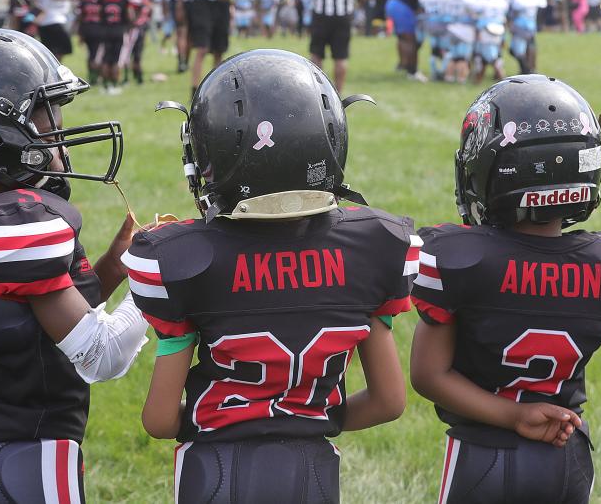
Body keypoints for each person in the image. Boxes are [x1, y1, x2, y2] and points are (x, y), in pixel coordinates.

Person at [127, 49, 410, 503]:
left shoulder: (185, 259)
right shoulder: (374, 247)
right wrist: (306, 418)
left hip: (213, 473)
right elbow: (388, 402)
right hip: (312, 474)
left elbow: (159, 421)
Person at [0, 29, 147, 503]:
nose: (57, 128)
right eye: (44, 113)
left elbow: (37, 315)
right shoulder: (18, 221)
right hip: (26, 449)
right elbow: (102, 355)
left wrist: (117, 265)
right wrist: (156, 283)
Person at [410, 74, 601, 504]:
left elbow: (428, 375)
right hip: (568, 453)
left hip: (482, 454)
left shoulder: (459, 258)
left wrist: (514, 413)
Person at [385, 0, 427, 80]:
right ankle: (412, 71)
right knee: (410, 40)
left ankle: (403, 65)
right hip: (401, 7)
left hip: (393, 3)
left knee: (403, 38)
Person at [471, 0, 508, 83]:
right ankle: (478, 80)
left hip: (486, 32)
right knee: (487, 57)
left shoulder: (481, 2)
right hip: (499, 31)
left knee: (490, 58)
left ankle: (503, 80)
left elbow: (475, 13)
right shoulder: (501, 2)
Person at [509, 0, 545, 75]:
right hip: (531, 27)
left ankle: (526, 69)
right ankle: (530, 69)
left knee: (517, 51)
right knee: (530, 48)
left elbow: (512, 14)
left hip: (519, 28)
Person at [419, 0, 452, 82]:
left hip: (431, 25)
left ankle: (434, 73)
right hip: (444, 26)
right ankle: (443, 71)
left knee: (434, 50)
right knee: (446, 50)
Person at [123, 0, 152, 85]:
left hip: (133, 28)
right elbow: (150, 12)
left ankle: (127, 78)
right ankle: (139, 78)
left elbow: (131, 15)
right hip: (142, 28)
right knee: (138, 55)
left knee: (127, 53)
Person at [78, 0, 107, 86]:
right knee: (99, 55)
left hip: (87, 29)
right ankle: (97, 78)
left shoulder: (85, 0)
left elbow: (80, 17)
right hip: (100, 29)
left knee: (91, 54)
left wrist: (80, 33)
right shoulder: (103, 0)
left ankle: (92, 77)